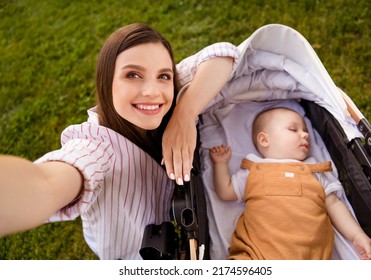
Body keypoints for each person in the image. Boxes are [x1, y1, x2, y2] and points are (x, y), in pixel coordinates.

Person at [0, 23, 237, 259]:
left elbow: (223, 54)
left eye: (163, 75)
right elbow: (48, 182)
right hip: (131, 254)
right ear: (107, 80)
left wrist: (184, 115)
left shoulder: (170, 92)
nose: (153, 91)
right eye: (133, 75)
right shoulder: (95, 147)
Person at [209, 107, 371, 260]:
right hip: (257, 253)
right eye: (293, 129)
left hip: (308, 255)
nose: (305, 134)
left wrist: (357, 235)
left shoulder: (315, 171)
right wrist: (220, 164)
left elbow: (335, 204)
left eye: (305, 130)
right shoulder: (254, 169)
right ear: (264, 140)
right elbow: (225, 191)